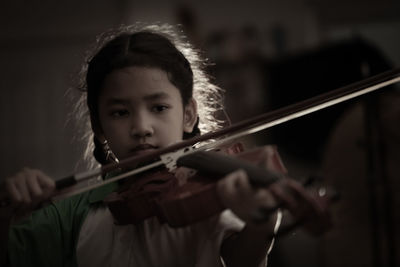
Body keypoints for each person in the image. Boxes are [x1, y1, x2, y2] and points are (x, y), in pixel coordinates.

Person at [0, 23, 331, 267]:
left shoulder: (212, 196)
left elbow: (242, 261)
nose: (141, 128)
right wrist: (11, 211)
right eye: (120, 112)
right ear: (99, 126)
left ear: (188, 116)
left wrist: (261, 218)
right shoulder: (69, 215)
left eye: (158, 108)